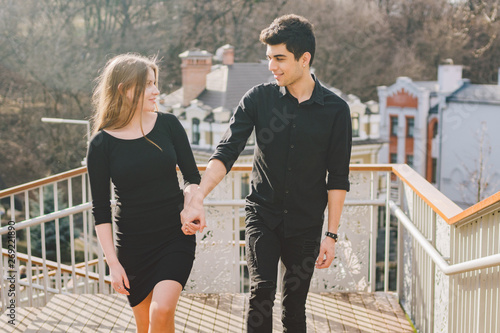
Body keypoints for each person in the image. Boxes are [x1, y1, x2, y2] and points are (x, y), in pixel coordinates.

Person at [181, 14, 352, 333]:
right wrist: (198, 197)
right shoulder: (258, 99)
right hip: (262, 214)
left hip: (306, 223)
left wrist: (330, 234)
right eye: (268, 58)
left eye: (279, 58)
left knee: (295, 306)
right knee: (260, 294)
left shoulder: (336, 111)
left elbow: (338, 178)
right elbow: (226, 151)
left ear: (305, 59)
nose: (271, 66)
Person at [86, 54, 201, 333]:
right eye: (148, 84)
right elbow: (100, 209)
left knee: (161, 311)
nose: (156, 91)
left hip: (175, 236)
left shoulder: (169, 124)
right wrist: (113, 263)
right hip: (133, 246)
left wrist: (191, 203)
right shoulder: (101, 144)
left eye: (155, 83)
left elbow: (192, 176)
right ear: (125, 89)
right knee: (146, 326)